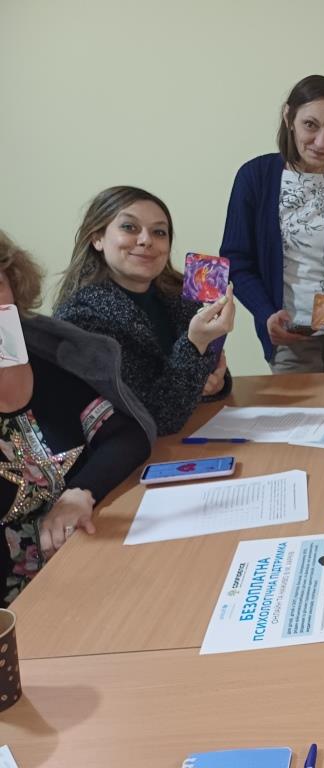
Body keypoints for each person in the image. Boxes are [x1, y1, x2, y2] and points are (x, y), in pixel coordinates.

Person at [0, 232, 153, 604]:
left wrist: (80, 493)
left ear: (13, 288)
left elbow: (124, 434)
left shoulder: (47, 360)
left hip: (91, 559)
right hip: (19, 609)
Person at [220, 74, 324, 373]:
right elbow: (237, 260)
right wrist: (265, 313)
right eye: (310, 125)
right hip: (290, 335)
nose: (322, 142)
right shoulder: (254, 178)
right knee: (301, 404)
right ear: (289, 117)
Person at [54, 187, 234, 436]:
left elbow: (194, 377)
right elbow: (154, 417)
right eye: (129, 227)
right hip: (131, 451)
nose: (146, 240)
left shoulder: (179, 296)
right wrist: (195, 344)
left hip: (189, 436)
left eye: (159, 232)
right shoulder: (81, 318)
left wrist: (217, 382)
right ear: (97, 239)